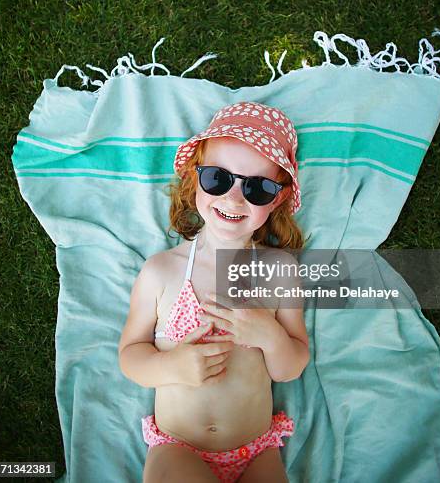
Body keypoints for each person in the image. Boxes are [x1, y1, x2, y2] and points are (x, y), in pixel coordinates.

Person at [118, 101, 311, 482]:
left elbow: (292, 366)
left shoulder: (278, 271)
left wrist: (271, 338)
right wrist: (167, 366)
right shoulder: (162, 271)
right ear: (196, 178)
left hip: (257, 451)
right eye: (218, 179)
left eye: (257, 188)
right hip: (178, 448)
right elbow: (130, 354)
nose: (234, 199)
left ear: (278, 199)